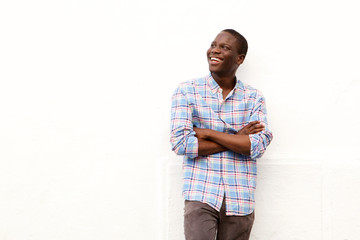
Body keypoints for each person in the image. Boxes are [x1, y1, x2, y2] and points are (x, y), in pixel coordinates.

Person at [170, 29, 273, 240]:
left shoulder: (253, 97)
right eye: (213, 44)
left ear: (239, 58)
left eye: (224, 47)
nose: (214, 50)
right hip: (201, 191)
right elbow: (181, 143)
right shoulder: (187, 91)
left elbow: (257, 146)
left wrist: (206, 133)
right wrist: (237, 137)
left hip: (240, 196)